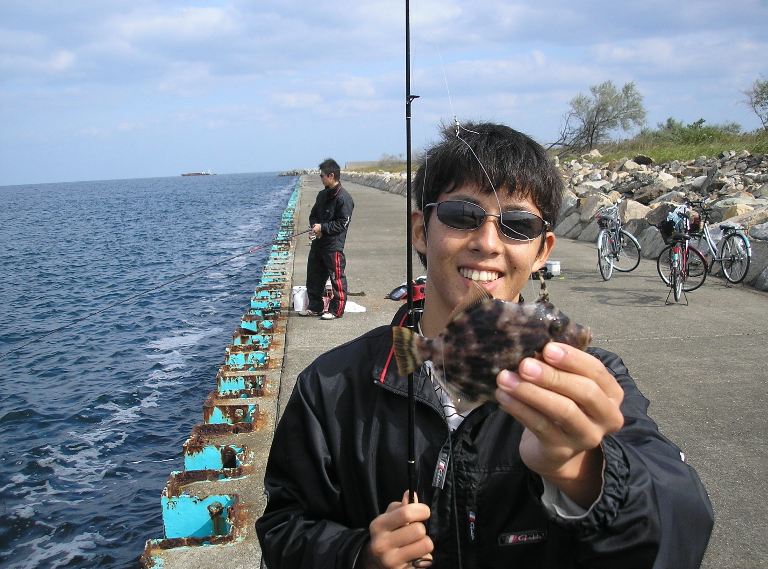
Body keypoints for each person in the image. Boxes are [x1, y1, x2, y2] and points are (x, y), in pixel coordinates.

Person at [256, 122, 714, 568]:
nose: (488, 242)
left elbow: (681, 529)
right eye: (461, 215)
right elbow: (283, 527)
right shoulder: (330, 386)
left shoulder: (594, 385)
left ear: (542, 250)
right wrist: (360, 556)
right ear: (420, 231)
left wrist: (585, 472)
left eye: (518, 224)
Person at [301, 158, 355, 320]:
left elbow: (342, 223)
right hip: (318, 244)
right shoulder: (322, 195)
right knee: (314, 277)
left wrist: (323, 228)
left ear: (331, 175)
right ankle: (315, 307)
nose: (321, 178)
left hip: (333, 246)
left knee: (336, 279)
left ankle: (336, 310)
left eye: (322, 176)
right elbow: (313, 214)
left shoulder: (344, 198)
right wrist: (315, 228)